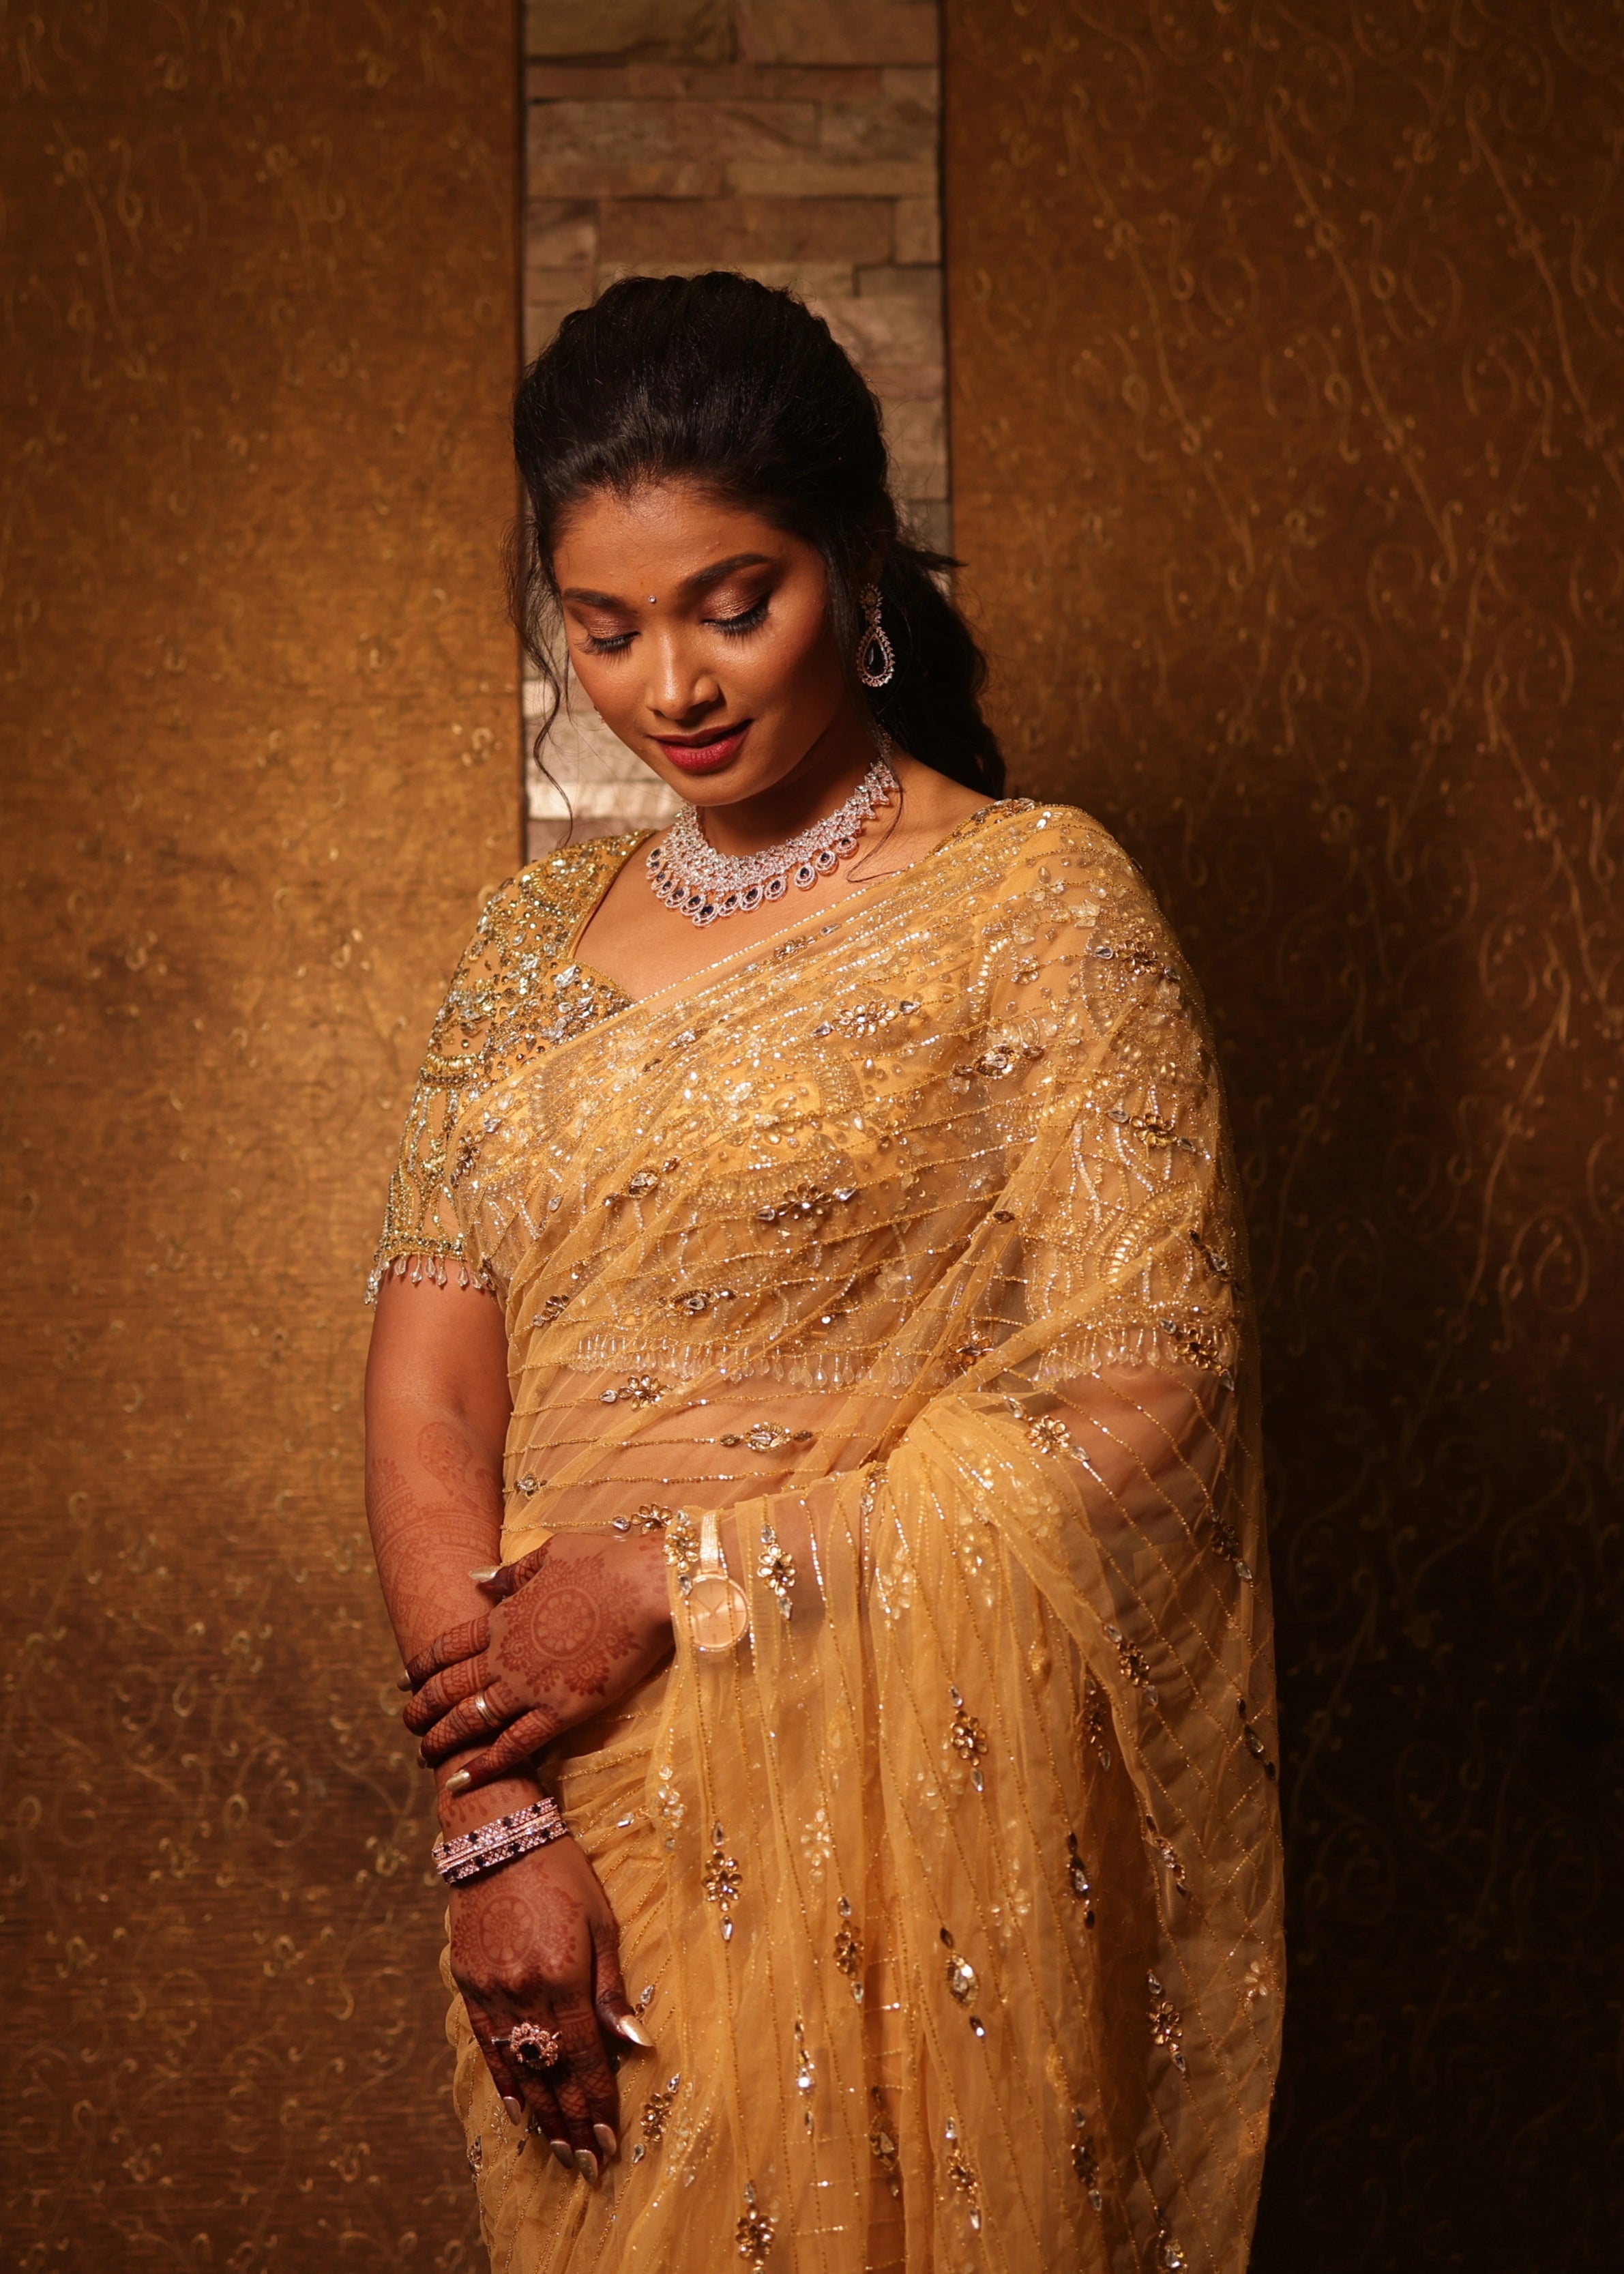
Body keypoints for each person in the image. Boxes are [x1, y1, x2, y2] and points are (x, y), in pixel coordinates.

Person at [364, 272, 1282, 2274]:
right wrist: (492, 1821)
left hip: (914, 1799)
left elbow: (1154, 1382)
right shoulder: (520, 956)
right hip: (585, 1807)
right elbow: (432, 1390)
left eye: (733, 606)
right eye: (606, 630)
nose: (671, 689)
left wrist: (686, 1578)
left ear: (855, 564)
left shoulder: (1035, 906)